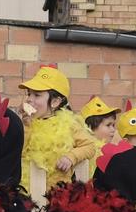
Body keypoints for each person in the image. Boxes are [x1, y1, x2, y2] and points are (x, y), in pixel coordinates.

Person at [18, 66, 99, 201]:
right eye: (28, 94)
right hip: (30, 194)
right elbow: (19, 151)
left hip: (58, 196)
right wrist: (26, 126)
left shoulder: (69, 125)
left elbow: (90, 146)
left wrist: (71, 157)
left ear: (55, 102)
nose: (30, 99)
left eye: (37, 95)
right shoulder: (27, 125)